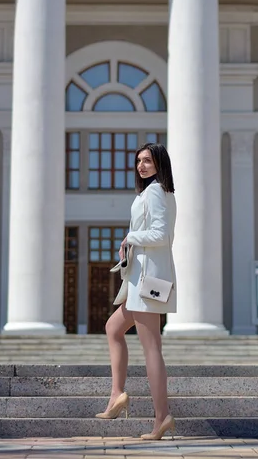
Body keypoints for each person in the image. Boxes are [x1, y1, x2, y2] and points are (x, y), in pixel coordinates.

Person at [95, 142, 177, 441]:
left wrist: (130, 237)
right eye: (139, 161)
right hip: (141, 280)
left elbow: (162, 235)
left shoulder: (157, 191)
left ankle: (161, 418)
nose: (142, 166)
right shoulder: (152, 192)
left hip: (148, 282)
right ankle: (117, 394)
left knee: (151, 347)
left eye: (148, 161)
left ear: (159, 164)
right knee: (113, 328)